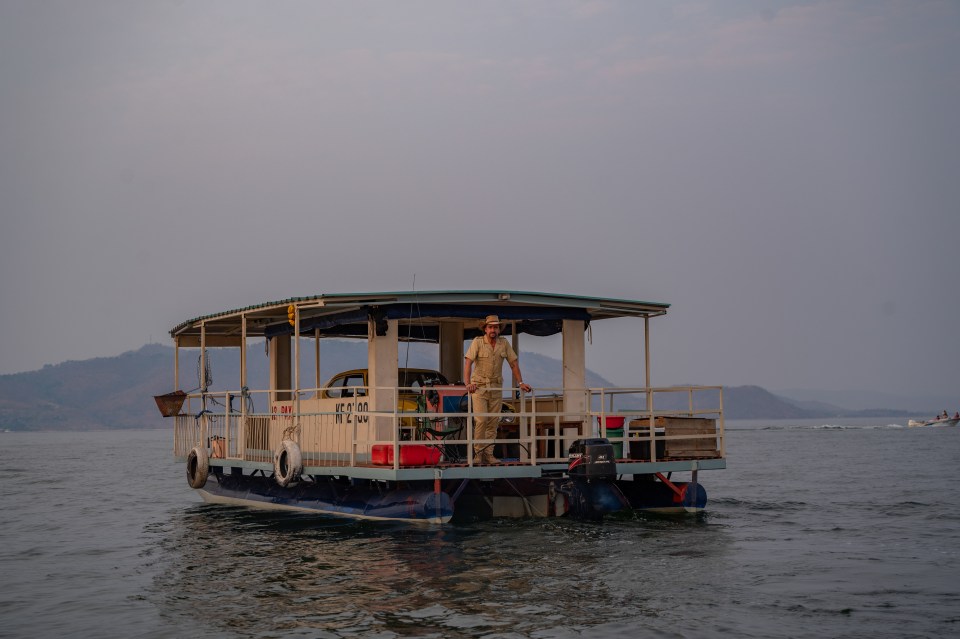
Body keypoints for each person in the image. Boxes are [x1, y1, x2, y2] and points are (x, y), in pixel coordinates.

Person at [463, 315, 531, 464]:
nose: (493, 330)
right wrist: (468, 383)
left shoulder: (503, 344)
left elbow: (513, 363)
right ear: (485, 329)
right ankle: (478, 454)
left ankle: (489, 454)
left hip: (496, 388)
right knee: (481, 420)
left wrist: (521, 382)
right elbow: (468, 363)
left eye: (496, 327)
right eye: (490, 327)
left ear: (499, 329)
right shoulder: (477, 342)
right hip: (479, 388)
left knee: (493, 422)